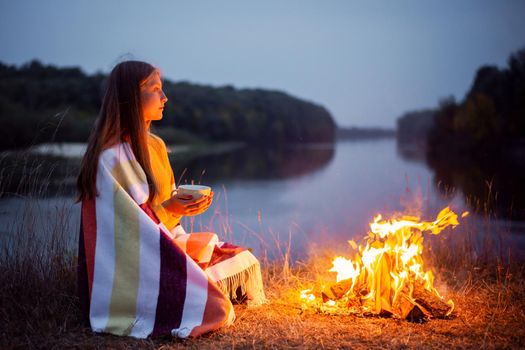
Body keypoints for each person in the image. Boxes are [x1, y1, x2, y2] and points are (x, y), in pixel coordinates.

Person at [76, 60, 265, 339]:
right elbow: (125, 234)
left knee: (242, 259)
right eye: (156, 90)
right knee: (215, 307)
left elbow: (166, 212)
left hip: (166, 242)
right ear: (131, 98)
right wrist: (170, 209)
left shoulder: (156, 145)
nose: (165, 98)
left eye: (162, 89)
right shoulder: (111, 158)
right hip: (134, 265)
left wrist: (184, 207)